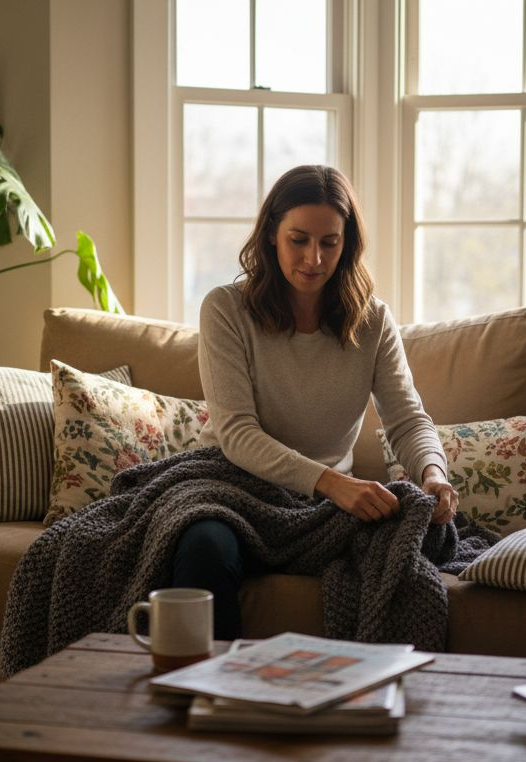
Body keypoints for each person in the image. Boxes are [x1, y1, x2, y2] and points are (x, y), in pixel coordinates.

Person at [174, 164, 459, 640]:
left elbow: (407, 420)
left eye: (329, 242)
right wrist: (333, 484)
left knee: (403, 567)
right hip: (229, 486)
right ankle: (207, 701)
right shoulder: (225, 309)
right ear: (270, 235)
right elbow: (238, 434)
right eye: (298, 239)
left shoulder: (373, 322)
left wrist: (434, 473)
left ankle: (363, 703)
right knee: (205, 550)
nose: (314, 258)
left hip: (321, 507)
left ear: (347, 243)